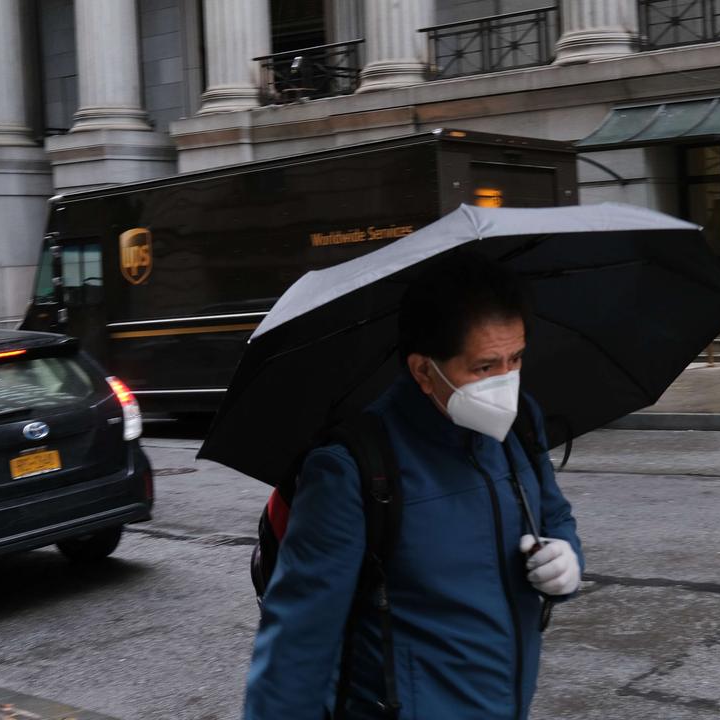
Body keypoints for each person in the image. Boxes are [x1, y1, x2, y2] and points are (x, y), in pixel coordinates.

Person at [243, 251, 584, 720]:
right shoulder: (353, 468)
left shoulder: (522, 425)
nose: (506, 382)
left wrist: (566, 559)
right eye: (485, 367)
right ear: (424, 370)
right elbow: (298, 645)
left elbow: (555, 516)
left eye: (517, 358)